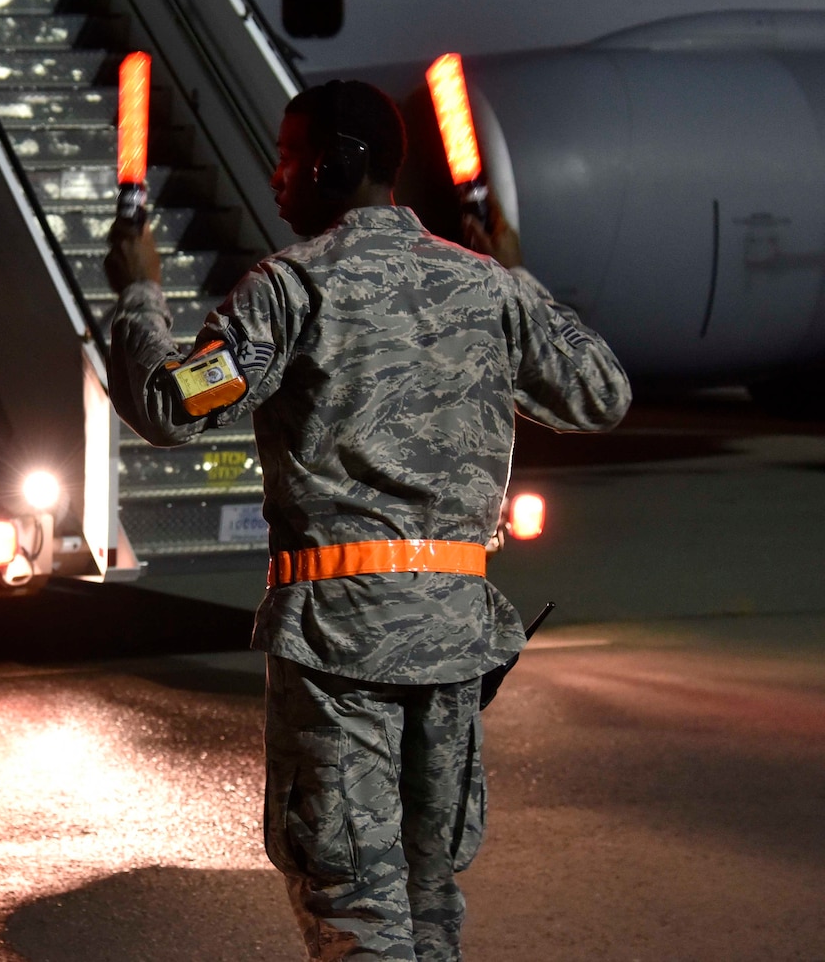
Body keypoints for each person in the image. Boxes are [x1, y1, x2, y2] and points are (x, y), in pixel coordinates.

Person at [104, 79, 630, 961]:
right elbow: (601, 391)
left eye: (285, 157)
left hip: (343, 637)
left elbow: (172, 403)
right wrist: (514, 271)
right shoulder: (486, 288)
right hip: (456, 635)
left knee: (355, 903)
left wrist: (140, 297)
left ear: (333, 165)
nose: (275, 178)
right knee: (427, 902)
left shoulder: (291, 291)